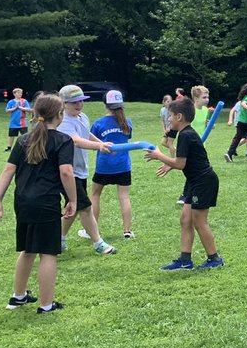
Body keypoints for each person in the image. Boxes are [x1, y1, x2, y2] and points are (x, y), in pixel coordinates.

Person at [0, 93, 77, 313]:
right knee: (48, 252)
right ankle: (46, 305)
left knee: (28, 249)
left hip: (23, 201)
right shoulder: (63, 140)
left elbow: (8, 170)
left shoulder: (23, 139)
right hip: (45, 202)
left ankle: (18, 296)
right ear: (59, 114)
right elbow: (66, 172)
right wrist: (72, 199)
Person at [143, 96, 224, 271]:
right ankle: (185, 260)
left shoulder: (187, 135)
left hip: (204, 181)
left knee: (199, 222)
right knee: (185, 219)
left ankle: (215, 259)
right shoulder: (185, 133)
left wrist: (159, 156)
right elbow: (183, 159)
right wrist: (168, 163)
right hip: (194, 181)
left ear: (179, 117)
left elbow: (180, 164)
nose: (168, 118)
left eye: (171, 115)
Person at [56, 85, 116, 255]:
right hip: (67, 171)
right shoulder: (63, 121)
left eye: (81, 101)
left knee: (72, 207)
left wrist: (102, 143)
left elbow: (85, 134)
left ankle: (58, 239)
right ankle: (99, 243)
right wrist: (99, 146)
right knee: (85, 207)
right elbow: (76, 140)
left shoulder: (82, 117)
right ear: (63, 103)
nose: (79, 105)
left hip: (80, 170)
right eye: (74, 102)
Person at [89, 90, 136, 240]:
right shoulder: (127, 122)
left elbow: (90, 140)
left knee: (95, 195)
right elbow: (128, 137)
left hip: (104, 165)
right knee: (124, 197)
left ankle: (92, 230)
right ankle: (127, 231)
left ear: (105, 104)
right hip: (123, 165)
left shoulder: (98, 123)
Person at [5, 87, 32, 151]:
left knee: (25, 135)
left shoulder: (24, 101)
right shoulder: (11, 102)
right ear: (14, 94)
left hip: (22, 122)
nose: (20, 94)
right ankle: (9, 147)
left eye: (21, 93)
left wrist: (20, 108)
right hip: (13, 122)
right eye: (18, 93)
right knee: (11, 135)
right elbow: (7, 110)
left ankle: (26, 147)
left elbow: (29, 109)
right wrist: (14, 108)